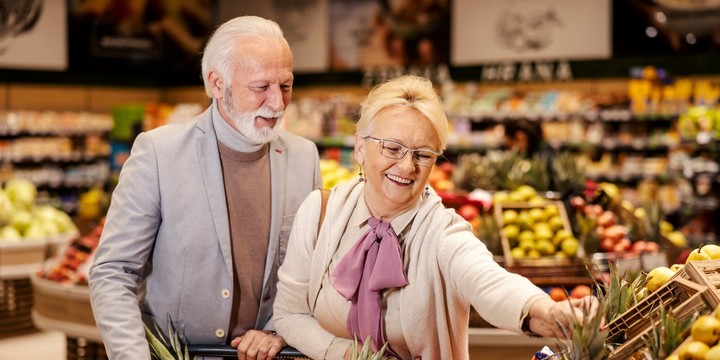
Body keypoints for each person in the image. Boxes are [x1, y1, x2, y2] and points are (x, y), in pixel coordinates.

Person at [273, 75, 598, 359]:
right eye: (392, 148)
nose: (406, 167)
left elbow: (488, 281)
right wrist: (348, 356)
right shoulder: (320, 213)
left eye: (422, 154)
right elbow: (289, 314)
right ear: (360, 148)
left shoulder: (443, 232)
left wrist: (545, 311)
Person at [89, 16, 322, 360]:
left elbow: (307, 272)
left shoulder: (304, 157)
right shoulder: (159, 153)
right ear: (217, 83)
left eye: (285, 86)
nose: (277, 103)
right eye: (261, 88)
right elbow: (113, 271)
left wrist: (278, 329)